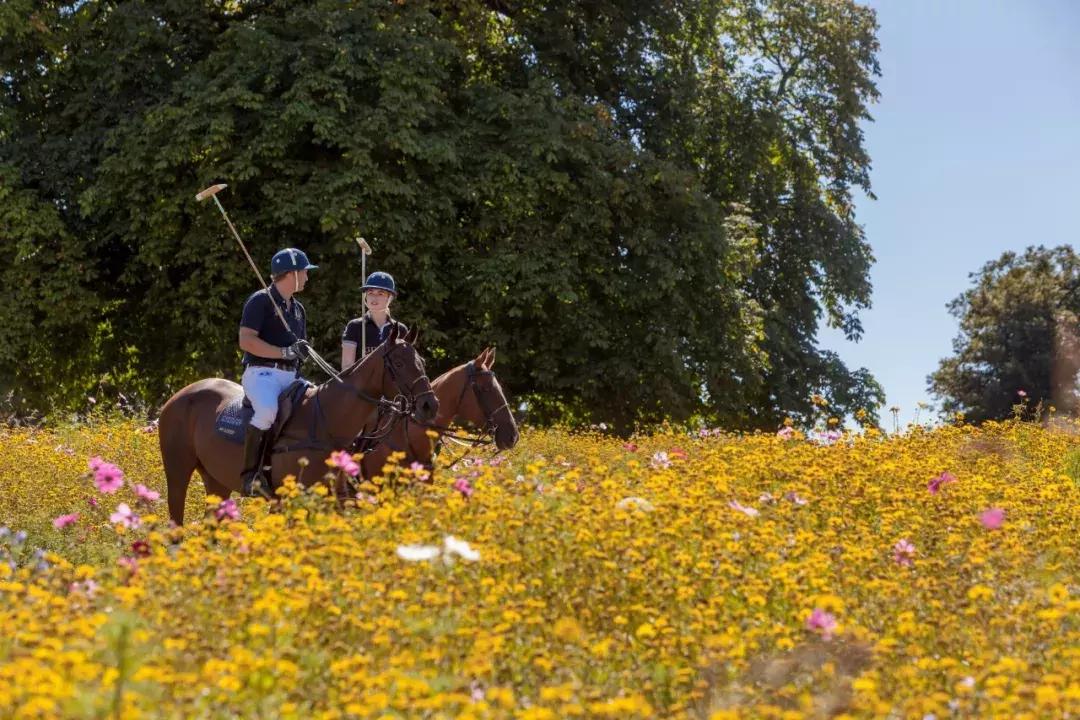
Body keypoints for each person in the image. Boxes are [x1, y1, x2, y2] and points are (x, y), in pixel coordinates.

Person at [238, 248, 317, 497]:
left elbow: (296, 349)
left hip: (291, 376)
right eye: (304, 271)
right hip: (262, 374)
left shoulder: (298, 309)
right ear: (291, 273)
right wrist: (284, 353)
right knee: (267, 410)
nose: (307, 276)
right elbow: (247, 341)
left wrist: (300, 352)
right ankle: (252, 476)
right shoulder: (260, 300)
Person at [340, 271, 409, 369]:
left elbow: (405, 367)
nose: (374, 297)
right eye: (370, 293)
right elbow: (347, 367)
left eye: (380, 294)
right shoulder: (355, 326)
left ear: (390, 298)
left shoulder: (400, 329)